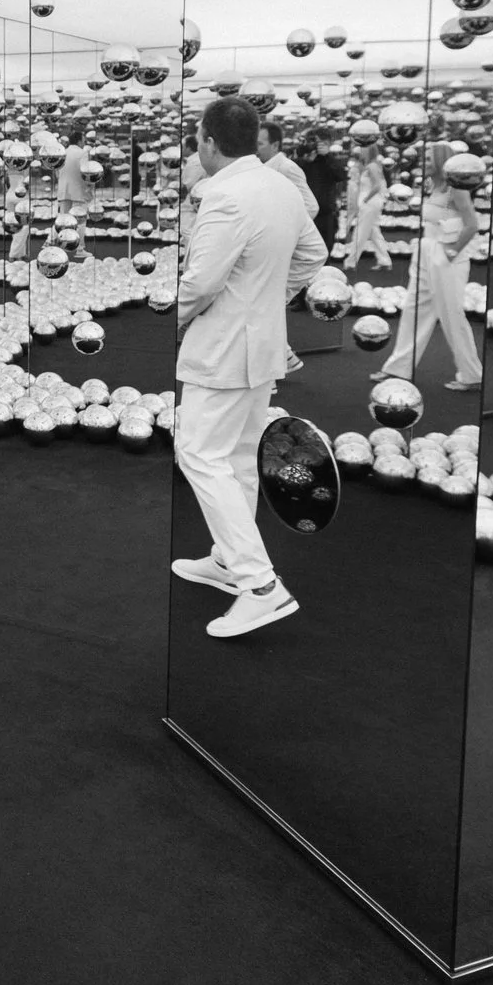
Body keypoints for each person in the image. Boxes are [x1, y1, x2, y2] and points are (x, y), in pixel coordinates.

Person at [169, 97, 327, 639]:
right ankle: (229, 562)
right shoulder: (280, 184)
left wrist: (175, 318)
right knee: (236, 455)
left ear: (208, 142)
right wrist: (267, 300)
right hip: (261, 345)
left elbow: (200, 282)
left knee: (197, 453)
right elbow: (314, 253)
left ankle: (261, 585)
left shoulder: (228, 196)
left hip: (224, 349)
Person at [376, 143, 483, 392]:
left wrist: (453, 250)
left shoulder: (456, 189)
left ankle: (472, 374)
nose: (422, 162)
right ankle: (398, 368)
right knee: (414, 309)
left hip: (446, 253)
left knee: (451, 314)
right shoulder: (432, 187)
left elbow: (472, 224)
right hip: (426, 248)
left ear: (441, 161)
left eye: (428, 158)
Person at [343, 144, 393, 270]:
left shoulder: (372, 166)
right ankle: (384, 260)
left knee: (360, 232)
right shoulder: (370, 165)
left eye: (363, 151)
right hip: (370, 203)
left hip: (369, 203)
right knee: (374, 232)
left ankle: (350, 262)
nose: (361, 153)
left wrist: (366, 199)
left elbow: (377, 186)